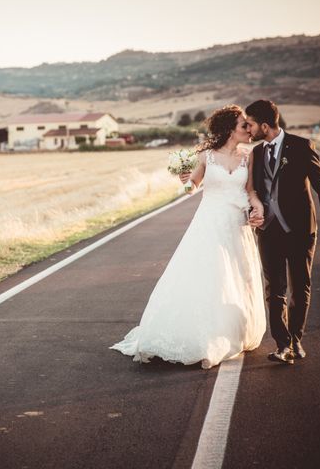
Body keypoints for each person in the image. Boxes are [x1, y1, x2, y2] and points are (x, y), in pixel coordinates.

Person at [110, 105, 267, 369]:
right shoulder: (207, 155)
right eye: (244, 125)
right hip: (208, 222)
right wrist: (185, 181)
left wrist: (258, 207)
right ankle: (198, 336)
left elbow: (250, 191)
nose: (249, 129)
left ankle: (226, 332)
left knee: (234, 279)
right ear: (230, 129)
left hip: (236, 225)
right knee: (205, 275)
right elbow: (191, 187)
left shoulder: (248, 157)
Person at [244, 100, 320, 364]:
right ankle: (282, 344)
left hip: (300, 230)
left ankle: (296, 339)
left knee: (300, 286)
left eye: (250, 124)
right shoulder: (257, 153)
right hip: (269, 231)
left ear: (264, 125)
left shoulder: (301, 146)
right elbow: (253, 191)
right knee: (274, 289)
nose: (248, 130)